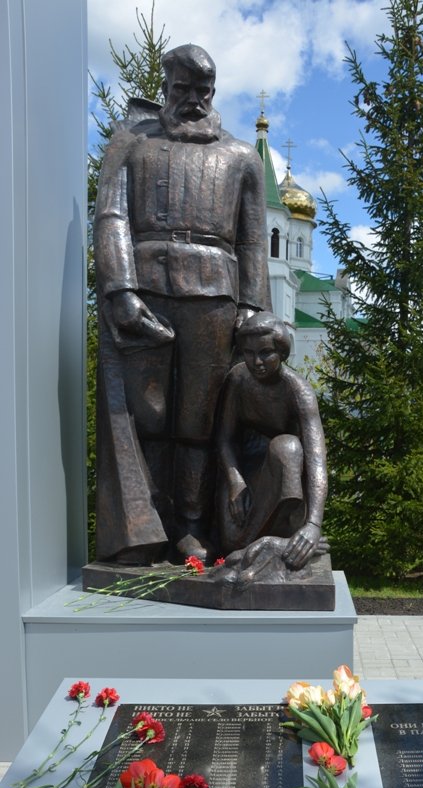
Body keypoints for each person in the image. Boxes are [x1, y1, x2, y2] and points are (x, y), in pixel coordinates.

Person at [94, 44, 269, 564]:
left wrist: (252, 308)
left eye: (202, 90)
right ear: (166, 87)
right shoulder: (130, 143)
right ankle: (146, 527)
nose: (192, 100)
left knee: (199, 418)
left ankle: (192, 527)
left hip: (214, 296)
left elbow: (253, 242)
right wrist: (121, 289)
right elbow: (111, 218)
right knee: (148, 415)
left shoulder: (241, 158)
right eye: (182, 89)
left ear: (213, 92)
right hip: (145, 292)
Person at [216, 312, 327, 570]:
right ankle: (258, 547)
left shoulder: (297, 390)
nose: (257, 361)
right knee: (232, 542)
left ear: (282, 352)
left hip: (286, 479)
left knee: (288, 447)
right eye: (249, 353)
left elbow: (316, 457)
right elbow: (225, 438)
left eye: (266, 352)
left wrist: (313, 524)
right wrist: (235, 482)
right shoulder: (238, 379)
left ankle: (288, 536)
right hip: (245, 476)